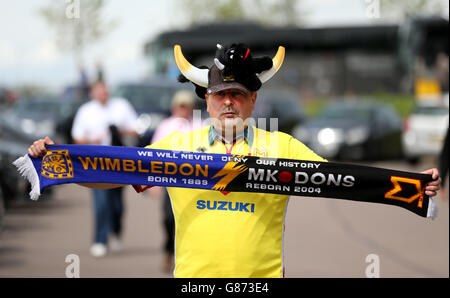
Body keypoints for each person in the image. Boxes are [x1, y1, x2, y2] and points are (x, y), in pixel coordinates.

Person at [28, 43, 442, 277]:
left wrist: (409, 186)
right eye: (220, 95)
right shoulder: (179, 145)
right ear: (206, 102)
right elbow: (110, 174)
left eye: (238, 94)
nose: (229, 102)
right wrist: (55, 164)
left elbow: (340, 179)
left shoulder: (281, 146)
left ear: (252, 100)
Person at [70, 80, 138, 257]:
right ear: (93, 93)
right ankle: (100, 240)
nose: (103, 94)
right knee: (101, 203)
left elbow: (135, 130)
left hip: (120, 162)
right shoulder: (86, 111)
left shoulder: (121, 106)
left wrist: (119, 132)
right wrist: (95, 140)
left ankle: (116, 232)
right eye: (100, 91)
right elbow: (77, 139)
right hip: (96, 163)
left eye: (105, 90)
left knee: (117, 205)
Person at [150, 89, 199, 272]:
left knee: (192, 221)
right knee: (169, 220)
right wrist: (153, 183)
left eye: (187, 106)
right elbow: (153, 154)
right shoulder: (166, 126)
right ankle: (169, 252)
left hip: (194, 183)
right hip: (170, 182)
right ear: (174, 107)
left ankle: (187, 257)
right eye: (181, 106)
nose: (184, 109)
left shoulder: (200, 125)